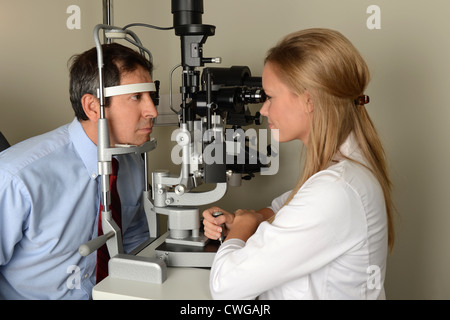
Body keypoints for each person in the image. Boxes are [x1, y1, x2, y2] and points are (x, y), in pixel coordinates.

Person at [202, 28, 395, 300]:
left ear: (308, 101)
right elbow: (288, 206)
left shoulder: (336, 190)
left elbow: (225, 287)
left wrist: (242, 231)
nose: (264, 110)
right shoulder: (344, 170)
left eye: (270, 97)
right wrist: (253, 218)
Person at [0, 43, 158, 299]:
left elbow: (134, 240)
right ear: (93, 107)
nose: (153, 111)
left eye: (151, 96)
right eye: (136, 97)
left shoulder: (131, 162)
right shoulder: (17, 178)